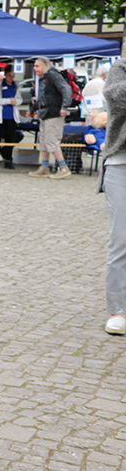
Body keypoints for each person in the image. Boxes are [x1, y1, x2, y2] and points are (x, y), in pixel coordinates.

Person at [101, 59, 126, 335]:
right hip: (121, 164)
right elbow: (117, 97)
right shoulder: (121, 68)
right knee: (122, 237)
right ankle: (119, 309)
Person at [29, 57, 73, 179]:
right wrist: (32, 110)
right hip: (45, 114)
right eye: (34, 66)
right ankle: (44, 168)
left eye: (37, 66)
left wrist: (65, 106)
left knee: (52, 141)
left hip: (54, 114)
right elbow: (43, 99)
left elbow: (66, 89)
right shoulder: (44, 79)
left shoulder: (53, 75)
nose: (34, 68)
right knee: (43, 141)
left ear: (45, 65)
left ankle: (64, 168)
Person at [0, 69, 20, 169]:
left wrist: (15, 102)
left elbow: (19, 100)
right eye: (9, 75)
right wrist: (7, 101)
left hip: (11, 116)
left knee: (10, 138)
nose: (11, 77)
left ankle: (8, 159)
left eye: (13, 75)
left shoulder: (16, 86)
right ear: (5, 75)